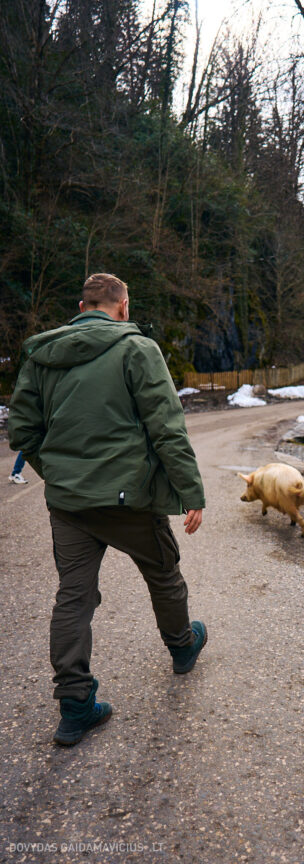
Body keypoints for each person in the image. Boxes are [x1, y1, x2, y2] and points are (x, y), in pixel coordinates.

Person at [8, 273, 207, 747]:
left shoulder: (41, 356)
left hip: (69, 504)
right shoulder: (137, 349)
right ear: (123, 306)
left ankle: (75, 706)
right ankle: (182, 648)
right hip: (129, 500)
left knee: (73, 598)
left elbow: (22, 433)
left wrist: (58, 475)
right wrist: (191, 493)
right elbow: (167, 428)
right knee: (163, 572)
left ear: (82, 306)